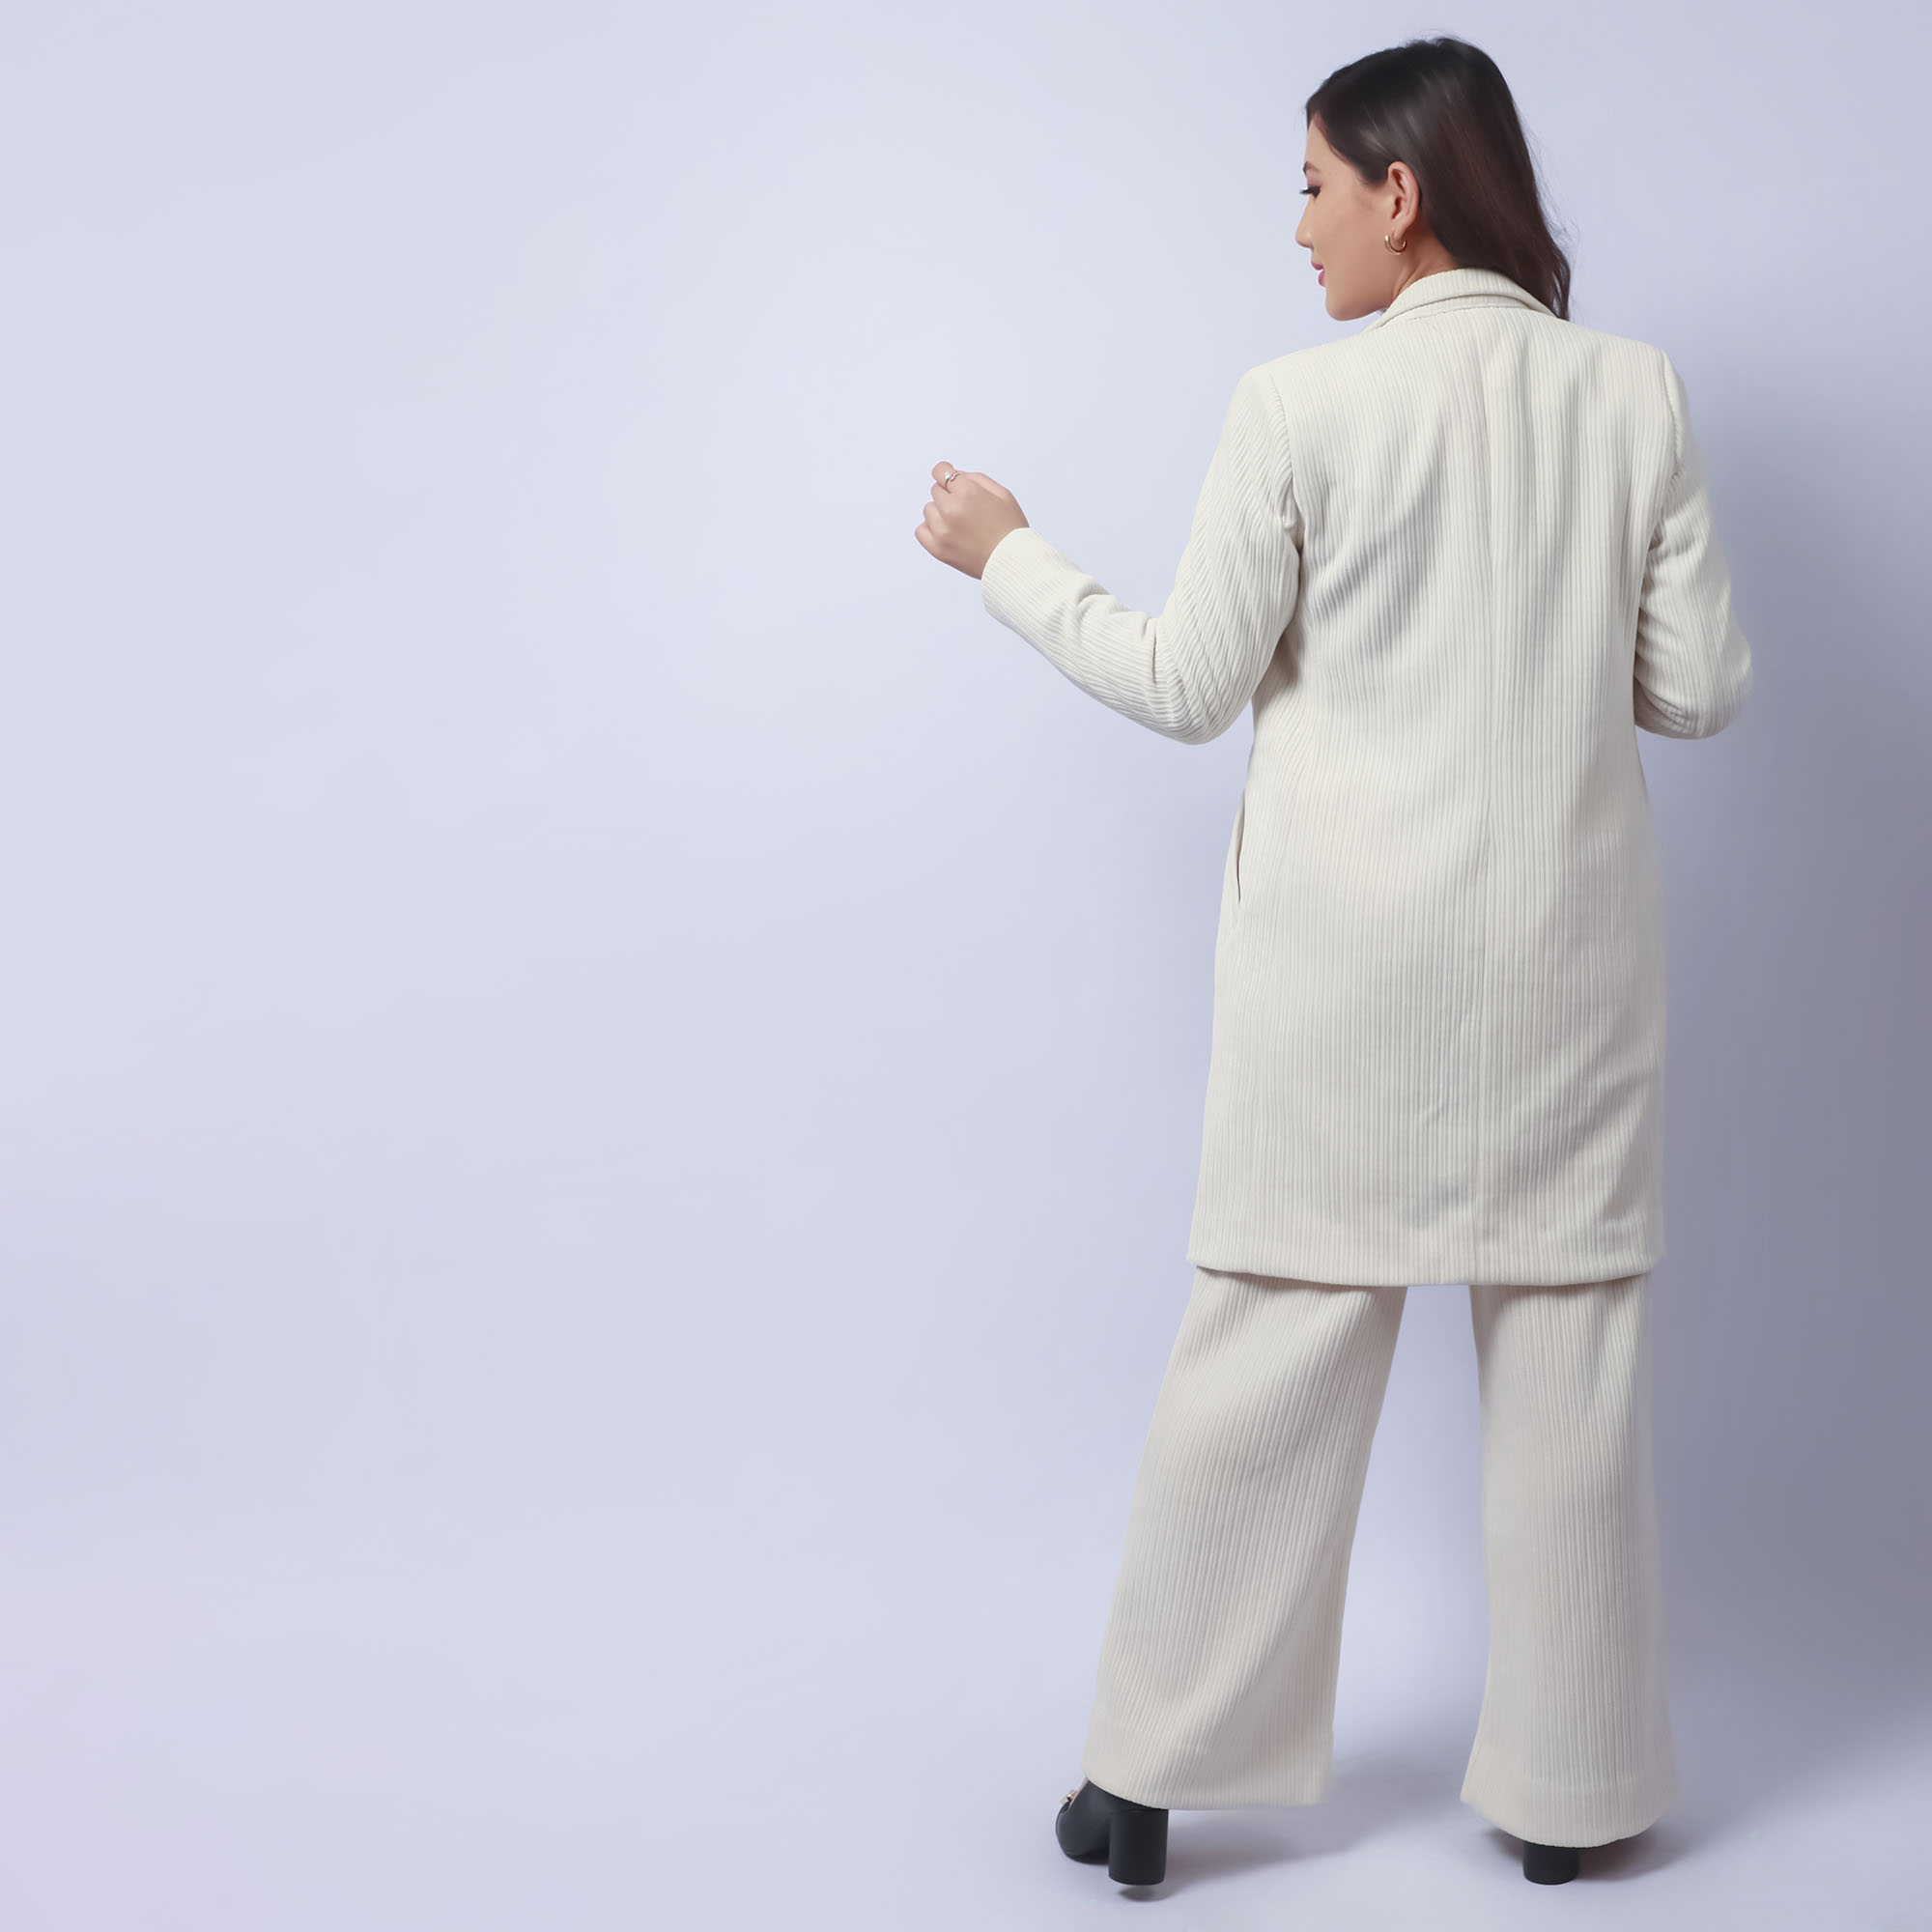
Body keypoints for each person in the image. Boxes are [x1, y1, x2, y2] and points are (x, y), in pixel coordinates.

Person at [914, 35, 1750, 1892]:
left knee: (1261, 1368)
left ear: (1400, 192)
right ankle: (1571, 1801)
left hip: (1340, 990)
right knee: (1571, 1383)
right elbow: (1699, 689)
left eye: (1312, 187)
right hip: (1566, 985)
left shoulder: (1297, 408)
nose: (1297, 229)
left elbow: (1183, 683)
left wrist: (1011, 557)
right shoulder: (1633, 392)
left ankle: (1147, 1781)